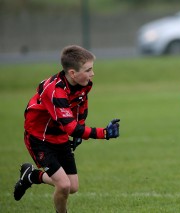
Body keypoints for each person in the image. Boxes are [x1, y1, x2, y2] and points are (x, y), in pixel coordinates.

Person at [13, 45, 120, 213]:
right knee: (63, 185)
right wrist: (103, 133)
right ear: (72, 73)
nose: (92, 74)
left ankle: (31, 176)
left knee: (72, 187)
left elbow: (81, 106)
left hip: (59, 136)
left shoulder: (84, 83)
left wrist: (81, 128)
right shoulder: (56, 91)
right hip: (39, 139)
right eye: (88, 70)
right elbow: (70, 127)